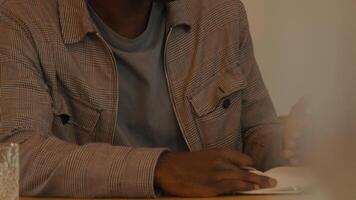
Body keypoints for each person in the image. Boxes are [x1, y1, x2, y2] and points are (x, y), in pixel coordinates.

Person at [0, 0, 302, 198]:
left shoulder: (220, 11)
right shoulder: (19, 19)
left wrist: (302, 144)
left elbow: (255, 131)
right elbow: (16, 157)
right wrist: (160, 168)